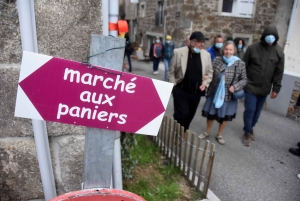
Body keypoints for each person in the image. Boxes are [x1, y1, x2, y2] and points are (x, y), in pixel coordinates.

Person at [242, 24, 284, 146]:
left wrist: (276, 88)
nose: (270, 39)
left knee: (257, 112)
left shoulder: (279, 52)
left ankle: (251, 127)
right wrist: (242, 81)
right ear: (264, 36)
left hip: (265, 88)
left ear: (276, 38)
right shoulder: (252, 48)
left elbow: (278, 72)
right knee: (250, 110)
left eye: (272, 37)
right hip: (250, 85)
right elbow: (243, 65)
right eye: (267, 36)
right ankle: (246, 132)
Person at [199, 41, 247, 145]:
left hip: (229, 95)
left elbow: (244, 80)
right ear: (223, 50)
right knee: (210, 114)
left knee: (225, 116)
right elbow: (210, 72)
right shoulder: (217, 60)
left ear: (234, 50)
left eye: (230, 49)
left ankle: (219, 134)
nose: (228, 52)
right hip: (214, 91)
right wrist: (207, 77)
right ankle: (207, 131)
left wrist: (235, 86)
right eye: (226, 49)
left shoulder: (240, 63)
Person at [168, 31, 213, 132]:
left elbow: (210, 73)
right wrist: (173, 87)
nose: (202, 45)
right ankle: (177, 132)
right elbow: (171, 73)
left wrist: (205, 84)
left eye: (203, 42)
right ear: (192, 42)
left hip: (196, 93)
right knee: (181, 114)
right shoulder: (178, 52)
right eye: (199, 42)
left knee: (189, 115)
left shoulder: (206, 55)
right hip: (181, 90)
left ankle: (184, 131)